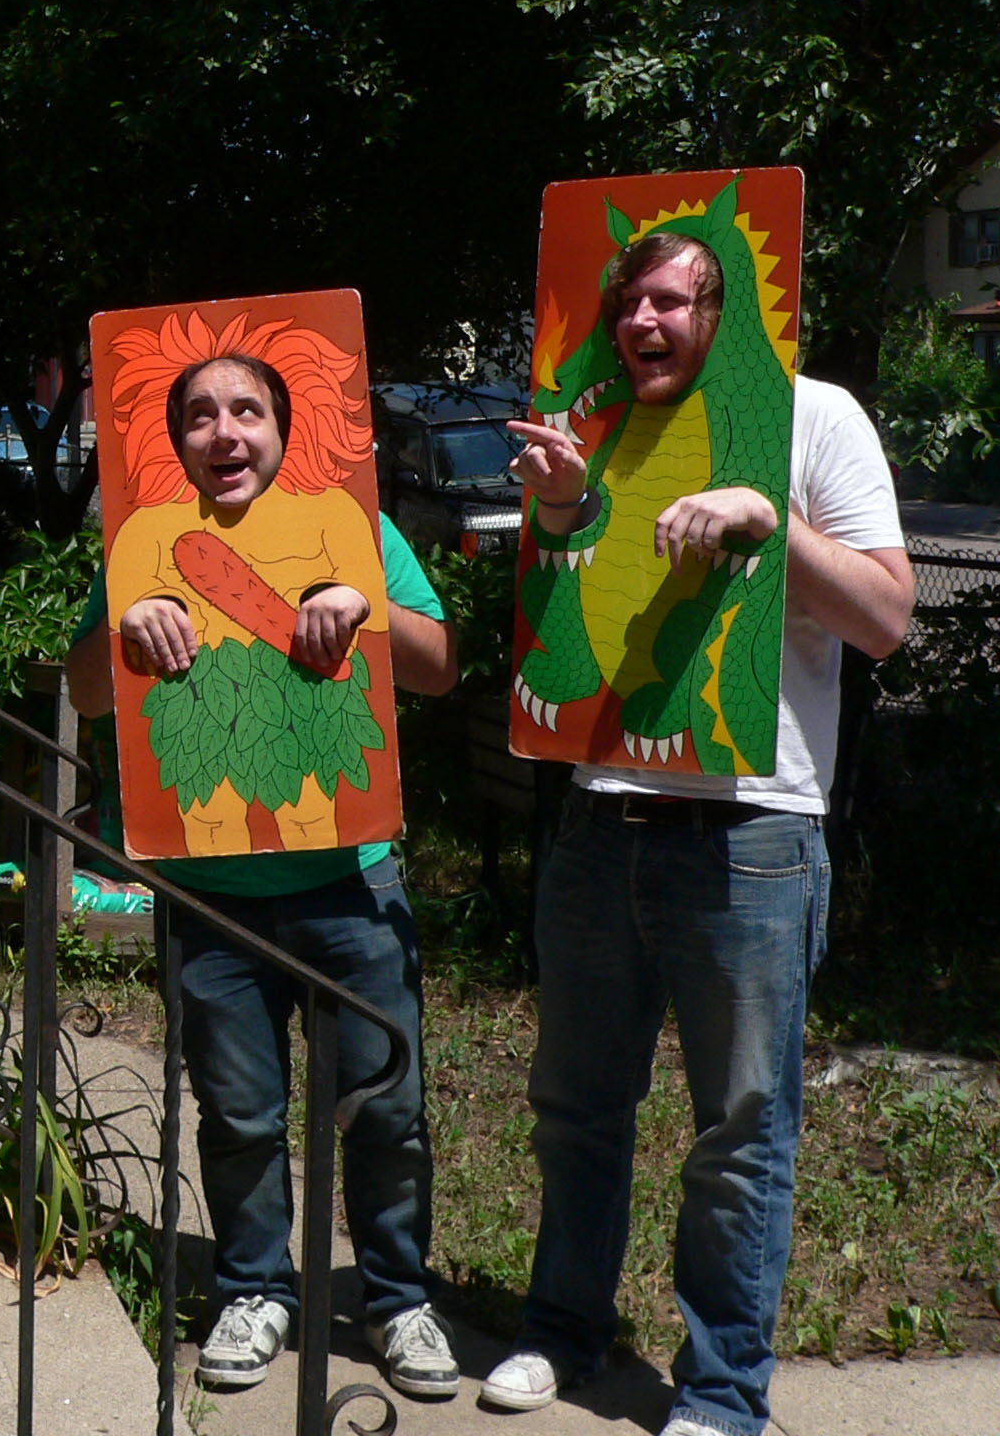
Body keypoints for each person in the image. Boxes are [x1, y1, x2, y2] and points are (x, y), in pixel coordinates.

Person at [483, 232, 912, 1436]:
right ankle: (562, 1331)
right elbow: (565, 616)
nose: (644, 320)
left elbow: (884, 619)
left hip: (754, 835)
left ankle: (723, 1392)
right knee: (574, 1106)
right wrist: (560, 506)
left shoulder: (815, 416)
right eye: (629, 300)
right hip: (600, 818)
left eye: (673, 299)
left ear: (726, 312)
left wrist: (769, 517)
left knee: (739, 1131)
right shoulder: (585, 424)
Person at [67, 353, 466, 1400]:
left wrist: (363, 605)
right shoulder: (142, 542)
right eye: (200, 415)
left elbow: (439, 667)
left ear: (283, 432)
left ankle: (396, 1299)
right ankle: (254, 1290)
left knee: (383, 1110)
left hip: (352, 886)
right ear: (177, 442)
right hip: (213, 899)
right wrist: (123, 629)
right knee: (238, 1115)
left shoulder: (355, 531)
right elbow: (87, 694)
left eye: (247, 409)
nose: (225, 431)